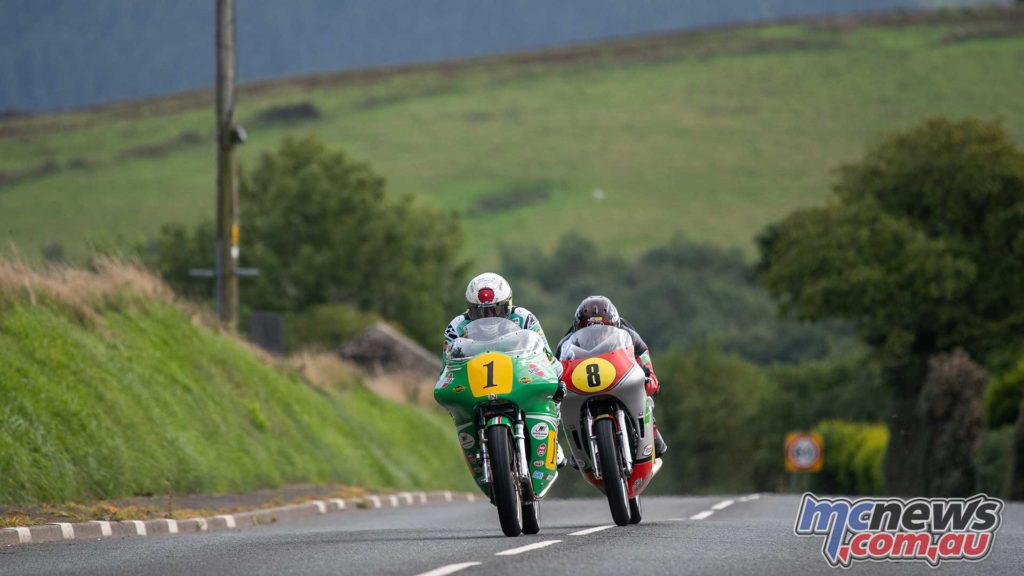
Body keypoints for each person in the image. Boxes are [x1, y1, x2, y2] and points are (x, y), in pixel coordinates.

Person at [443, 272, 565, 467]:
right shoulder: (456, 326)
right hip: (477, 378)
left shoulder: (524, 317)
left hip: (517, 372)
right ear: (469, 309)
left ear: (508, 305)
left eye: (496, 309)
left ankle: (554, 441)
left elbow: (546, 354)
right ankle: (477, 449)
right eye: (480, 312)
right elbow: (447, 365)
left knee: (556, 390)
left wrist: (556, 375)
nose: (489, 317)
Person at [555, 295, 668, 456]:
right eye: (588, 330)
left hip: (618, 377)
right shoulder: (566, 343)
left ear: (613, 324)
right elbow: (556, 367)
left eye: (602, 329)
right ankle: (578, 447)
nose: (595, 335)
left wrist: (649, 376)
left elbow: (643, 355)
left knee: (645, 393)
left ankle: (652, 432)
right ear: (577, 328)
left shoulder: (628, 333)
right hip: (583, 385)